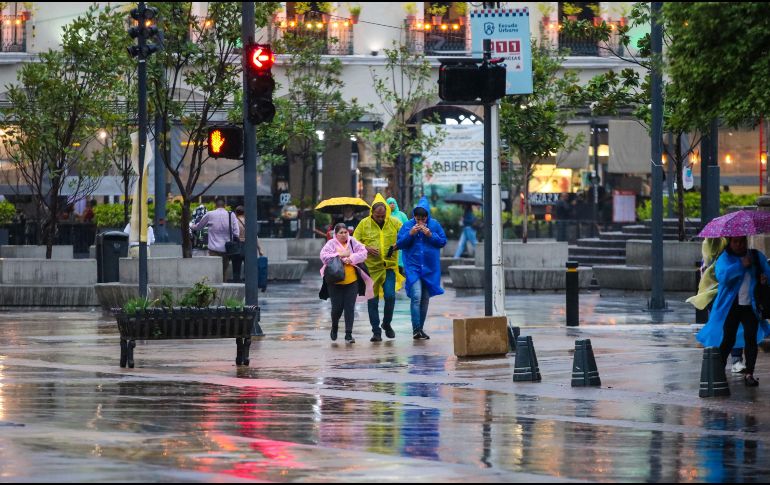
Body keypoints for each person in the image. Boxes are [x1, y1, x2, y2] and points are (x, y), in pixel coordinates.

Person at [696, 236, 770, 387]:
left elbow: (767, 273)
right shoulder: (725, 258)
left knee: (751, 338)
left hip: (751, 306)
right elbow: (722, 276)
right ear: (730, 242)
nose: (739, 245)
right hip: (731, 306)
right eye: (735, 242)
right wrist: (740, 265)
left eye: (742, 241)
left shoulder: (756, 256)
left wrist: (764, 279)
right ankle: (719, 370)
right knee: (728, 339)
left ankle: (749, 373)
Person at [353, 193, 404, 342]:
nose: (380, 218)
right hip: (371, 269)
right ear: (372, 213)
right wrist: (366, 248)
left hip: (389, 267)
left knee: (390, 296)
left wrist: (397, 245)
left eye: (383, 216)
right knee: (372, 300)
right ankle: (376, 331)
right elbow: (354, 242)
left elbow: (405, 237)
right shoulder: (364, 224)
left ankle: (386, 324)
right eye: (377, 216)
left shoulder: (394, 223)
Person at [396, 196, 447, 340]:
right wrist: (410, 234)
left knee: (425, 298)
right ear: (414, 217)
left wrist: (430, 235)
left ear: (427, 217)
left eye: (423, 219)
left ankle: (420, 329)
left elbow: (442, 241)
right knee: (416, 296)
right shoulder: (407, 225)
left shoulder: (434, 225)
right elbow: (400, 243)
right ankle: (415, 329)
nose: (420, 222)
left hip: (430, 267)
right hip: (413, 266)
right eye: (417, 219)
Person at [319, 223, 374, 344]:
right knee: (337, 308)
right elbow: (323, 256)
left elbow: (363, 253)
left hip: (352, 281)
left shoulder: (353, 242)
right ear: (336, 234)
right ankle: (334, 327)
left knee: (350, 308)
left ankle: (348, 334)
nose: (344, 235)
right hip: (335, 282)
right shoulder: (331, 244)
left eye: (345, 232)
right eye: (341, 233)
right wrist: (340, 255)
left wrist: (352, 258)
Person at [190, 198, 239, 281]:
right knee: (224, 271)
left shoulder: (210, 214)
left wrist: (191, 225)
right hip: (226, 249)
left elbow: (198, 227)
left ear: (215, 205)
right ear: (225, 205)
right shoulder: (231, 215)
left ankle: (214, 290)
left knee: (213, 272)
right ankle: (224, 288)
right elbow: (236, 232)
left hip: (213, 249)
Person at [231, 205, 264, 283]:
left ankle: (237, 285)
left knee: (236, 269)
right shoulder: (249, 222)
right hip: (248, 247)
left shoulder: (233, 222)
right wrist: (259, 249)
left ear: (236, 213)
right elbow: (254, 236)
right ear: (245, 213)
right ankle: (248, 286)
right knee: (248, 269)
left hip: (237, 246)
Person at [387, 197, 409, 270]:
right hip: (389, 241)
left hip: (400, 240)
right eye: (390, 203)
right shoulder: (385, 215)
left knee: (400, 261)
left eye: (394, 203)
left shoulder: (402, 215)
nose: (392, 205)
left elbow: (407, 226)